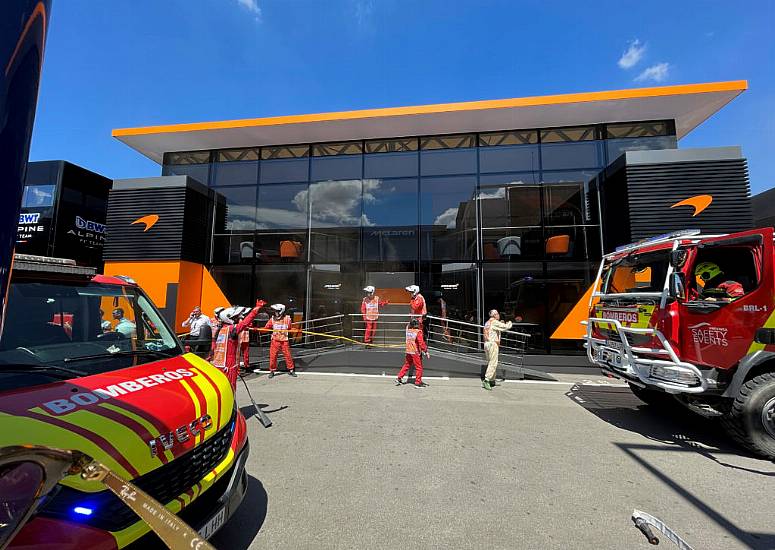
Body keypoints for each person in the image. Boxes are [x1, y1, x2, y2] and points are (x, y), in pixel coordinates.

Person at [211, 300, 266, 390]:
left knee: (221, 389)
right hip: (229, 366)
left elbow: (213, 348)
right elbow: (245, 323)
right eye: (235, 318)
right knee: (231, 389)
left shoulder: (220, 329)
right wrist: (256, 309)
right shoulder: (232, 329)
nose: (237, 319)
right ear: (229, 318)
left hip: (218, 365)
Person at [482, 309, 513, 391]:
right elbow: (506, 327)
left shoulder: (487, 322)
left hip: (486, 344)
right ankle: (487, 380)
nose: (499, 315)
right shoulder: (494, 322)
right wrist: (510, 322)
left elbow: (496, 329)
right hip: (492, 344)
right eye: (498, 313)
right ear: (494, 315)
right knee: (493, 363)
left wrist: (501, 323)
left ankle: (492, 380)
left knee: (490, 362)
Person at [395, 318, 430, 388]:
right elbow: (421, 343)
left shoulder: (408, 331)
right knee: (419, 367)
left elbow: (408, 325)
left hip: (408, 350)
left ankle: (399, 378)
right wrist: (426, 351)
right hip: (415, 351)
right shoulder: (418, 332)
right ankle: (418, 383)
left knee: (407, 364)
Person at [265, 304, 296, 378]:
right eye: (275, 311)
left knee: (288, 356)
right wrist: (259, 329)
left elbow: (289, 328)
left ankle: (291, 370)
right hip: (275, 341)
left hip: (284, 341)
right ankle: (272, 371)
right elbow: (266, 327)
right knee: (273, 356)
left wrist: (295, 330)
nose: (275, 312)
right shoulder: (272, 319)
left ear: (281, 311)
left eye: (277, 311)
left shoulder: (287, 319)